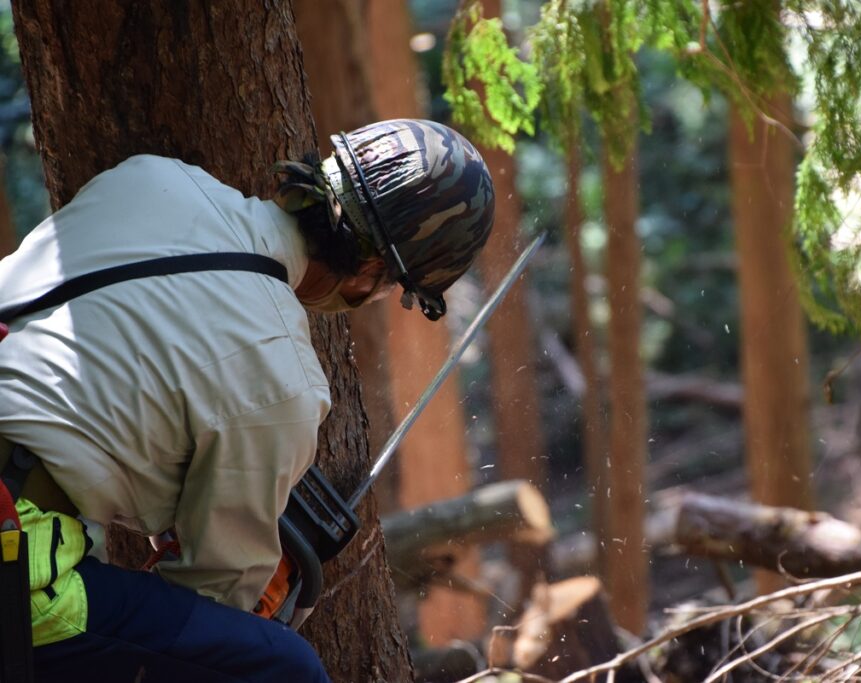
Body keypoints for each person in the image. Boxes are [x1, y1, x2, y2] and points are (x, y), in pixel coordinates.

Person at [0, 119, 495, 682]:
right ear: (371, 275)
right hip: (15, 553)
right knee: (277, 668)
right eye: (388, 290)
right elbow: (212, 594)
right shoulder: (286, 378)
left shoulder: (152, 177)